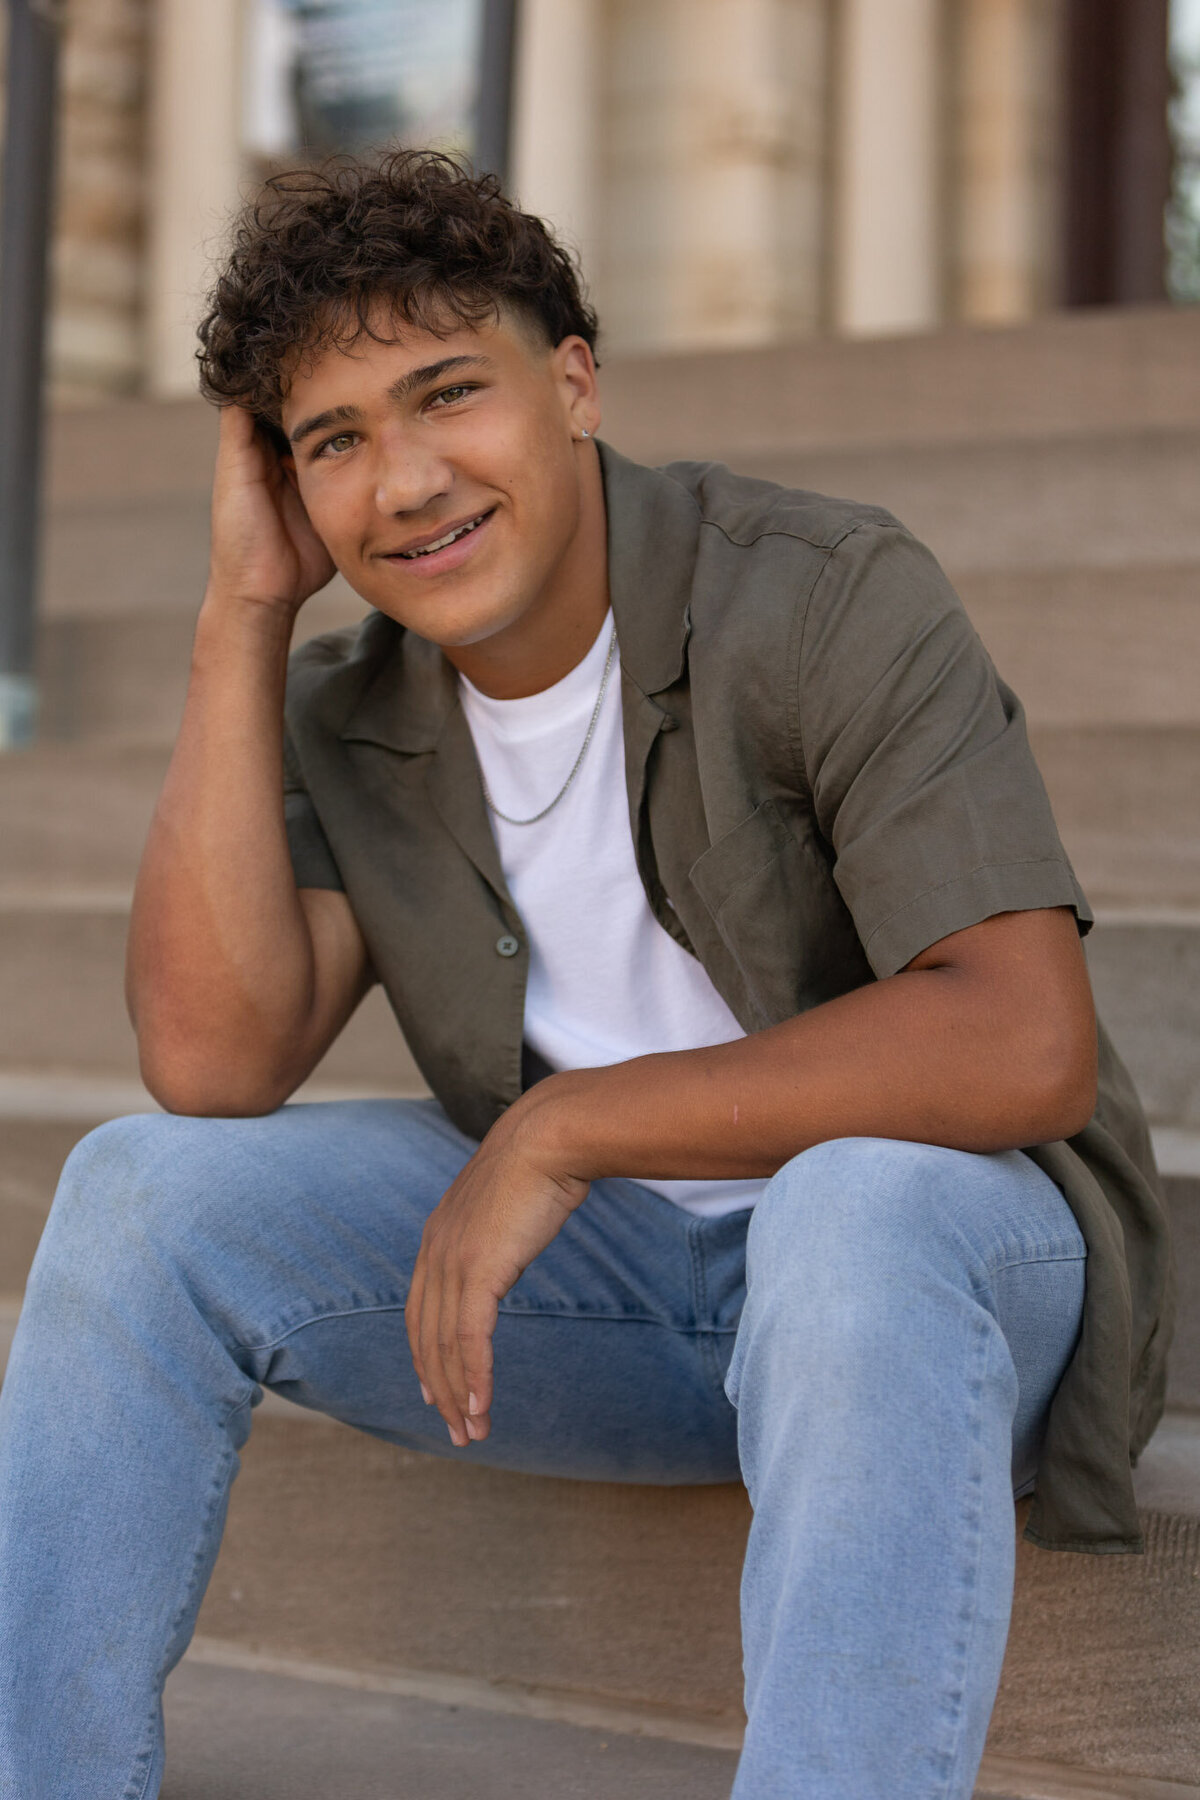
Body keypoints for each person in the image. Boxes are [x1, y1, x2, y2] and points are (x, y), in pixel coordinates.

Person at [0, 152, 1172, 1800]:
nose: (403, 484)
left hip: (929, 1271)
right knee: (134, 1191)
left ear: (572, 382)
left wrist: (564, 1131)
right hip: (623, 1308)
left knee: (847, 1214)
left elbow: (1023, 1038)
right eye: (334, 440)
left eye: (445, 396)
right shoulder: (354, 708)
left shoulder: (819, 594)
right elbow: (211, 1060)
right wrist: (241, 610)